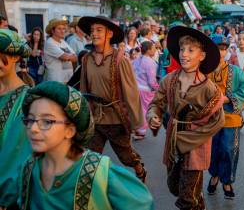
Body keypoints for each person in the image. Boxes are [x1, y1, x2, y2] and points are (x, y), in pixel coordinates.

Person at [18, 81, 154, 210]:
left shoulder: (100, 174)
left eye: (47, 121)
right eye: (30, 120)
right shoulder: (29, 167)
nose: (33, 128)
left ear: (70, 130)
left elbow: (142, 204)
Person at [147, 26, 225, 210]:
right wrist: (153, 116)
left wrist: (191, 138)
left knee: (187, 197)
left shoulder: (208, 87)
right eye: (182, 49)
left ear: (202, 56)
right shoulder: (169, 80)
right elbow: (156, 104)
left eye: (191, 50)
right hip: (173, 142)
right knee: (175, 186)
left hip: (196, 146)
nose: (184, 54)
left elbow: (218, 120)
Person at [77, 15, 147, 182]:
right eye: (92, 30)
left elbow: (131, 92)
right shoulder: (87, 59)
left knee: (126, 156)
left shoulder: (119, 60)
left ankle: (139, 168)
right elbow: (84, 90)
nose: (94, 33)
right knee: (90, 158)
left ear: (109, 34)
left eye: (99, 30)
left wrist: (137, 122)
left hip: (116, 119)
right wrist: (82, 116)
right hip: (95, 119)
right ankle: (92, 191)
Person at [207, 40, 244, 199]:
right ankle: (214, 175)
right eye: (217, 49)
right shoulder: (204, 72)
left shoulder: (235, 71)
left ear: (226, 52)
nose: (220, 52)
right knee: (213, 149)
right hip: (210, 119)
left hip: (231, 117)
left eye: (223, 49)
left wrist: (227, 99)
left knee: (228, 149)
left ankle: (226, 181)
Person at [0, 29, 33, 209]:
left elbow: (19, 153)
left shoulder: (29, 100)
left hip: (10, 197)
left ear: (15, 58)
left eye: (2, 55)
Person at [132, 41, 159, 140]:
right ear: (148, 50)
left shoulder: (136, 60)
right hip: (145, 89)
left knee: (137, 110)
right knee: (145, 110)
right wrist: (158, 89)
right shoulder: (150, 62)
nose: (155, 50)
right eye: (153, 48)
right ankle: (141, 131)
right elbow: (152, 80)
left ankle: (136, 129)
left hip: (135, 88)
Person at [44, 18, 77, 83]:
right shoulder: (49, 42)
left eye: (63, 28)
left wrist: (67, 57)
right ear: (52, 31)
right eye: (59, 29)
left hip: (68, 79)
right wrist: (68, 57)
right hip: (56, 81)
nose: (62, 31)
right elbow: (65, 57)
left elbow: (75, 58)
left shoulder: (63, 42)